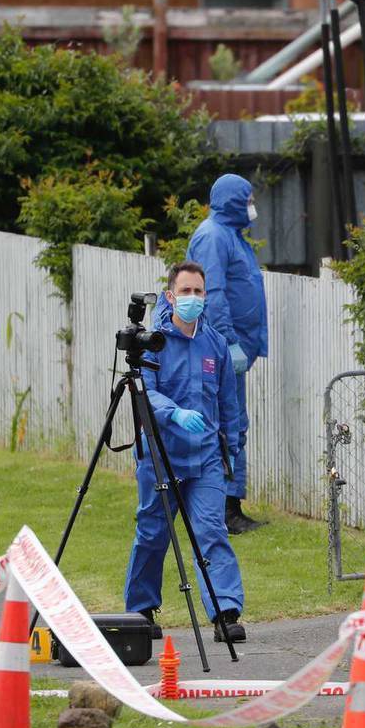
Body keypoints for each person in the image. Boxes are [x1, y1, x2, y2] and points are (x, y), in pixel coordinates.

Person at [124, 262, 247, 642]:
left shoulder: (214, 345)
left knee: (210, 530)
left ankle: (224, 612)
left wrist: (234, 444)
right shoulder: (154, 342)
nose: (193, 298)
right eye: (186, 291)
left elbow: (229, 401)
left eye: (199, 292)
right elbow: (145, 389)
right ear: (170, 296)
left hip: (206, 458)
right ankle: (141, 612)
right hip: (161, 456)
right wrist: (174, 413)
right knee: (153, 532)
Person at [187, 173, 268, 535]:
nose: (252, 205)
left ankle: (228, 505)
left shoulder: (230, 235)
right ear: (233, 200)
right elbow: (214, 294)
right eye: (248, 198)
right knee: (226, 426)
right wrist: (228, 341)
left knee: (232, 425)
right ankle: (224, 509)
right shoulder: (214, 236)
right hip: (220, 349)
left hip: (231, 348)